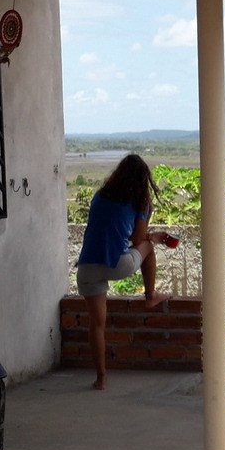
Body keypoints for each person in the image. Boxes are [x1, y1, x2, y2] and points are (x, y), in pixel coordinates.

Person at [76, 154, 176, 390]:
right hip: (116, 264)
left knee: (96, 325)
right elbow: (139, 239)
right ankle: (151, 295)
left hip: (87, 267)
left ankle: (101, 379)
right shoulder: (140, 202)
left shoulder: (100, 196)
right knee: (149, 247)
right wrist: (153, 236)